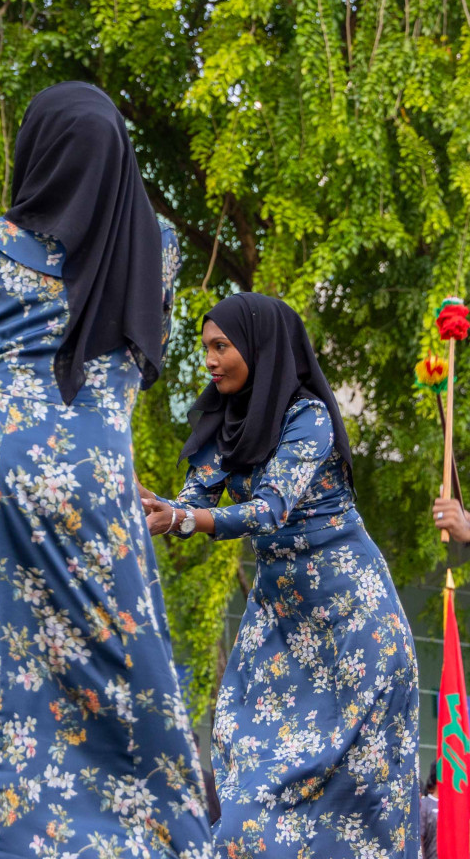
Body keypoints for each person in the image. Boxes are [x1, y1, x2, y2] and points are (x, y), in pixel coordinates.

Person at [0, 82, 212, 858]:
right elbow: (144, 360)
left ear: (35, 152)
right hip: (91, 472)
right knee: (120, 669)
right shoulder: (159, 249)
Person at [141, 292, 420, 857]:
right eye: (206, 349)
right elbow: (190, 501)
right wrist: (152, 508)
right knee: (250, 774)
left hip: (354, 626)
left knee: (358, 796)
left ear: (258, 347)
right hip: (281, 625)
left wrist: (185, 519)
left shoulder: (306, 417)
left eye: (222, 347)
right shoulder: (225, 421)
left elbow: (269, 508)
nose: (211, 360)